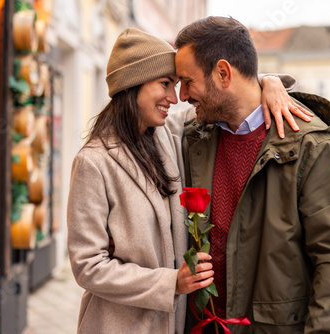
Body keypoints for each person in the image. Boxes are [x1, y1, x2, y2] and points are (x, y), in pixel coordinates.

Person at [67, 27, 307, 334]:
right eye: (166, 84)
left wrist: (269, 83)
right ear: (132, 84)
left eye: (179, 83)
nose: (174, 97)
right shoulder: (94, 162)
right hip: (119, 325)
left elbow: (230, 93)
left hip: (174, 325)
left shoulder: (169, 134)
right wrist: (170, 283)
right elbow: (87, 266)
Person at [174, 16, 330, 333]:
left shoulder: (314, 148)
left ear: (223, 73)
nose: (182, 95)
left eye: (187, 81)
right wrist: (269, 81)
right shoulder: (192, 138)